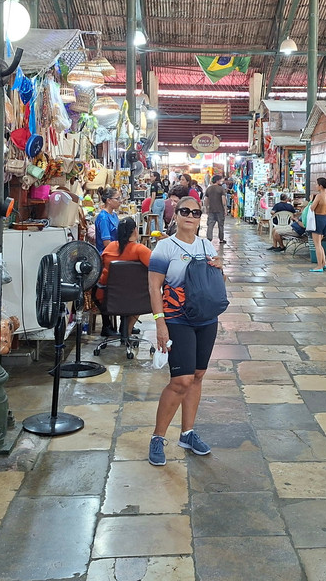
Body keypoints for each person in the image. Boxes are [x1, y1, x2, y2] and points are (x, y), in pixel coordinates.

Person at [147, 196, 223, 466]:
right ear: (175, 215)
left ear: (200, 217)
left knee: (198, 375)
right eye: (184, 211)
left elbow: (214, 281)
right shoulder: (164, 247)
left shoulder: (206, 245)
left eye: (195, 212)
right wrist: (160, 322)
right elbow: (154, 287)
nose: (190, 215)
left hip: (206, 319)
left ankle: (187, 433)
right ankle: (158, 437)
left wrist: (218, 267)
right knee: (181, 380)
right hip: (177, 318)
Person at [96, 217, 153, 339]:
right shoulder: (140, 250)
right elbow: (156, 266)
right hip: (135, 299)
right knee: (144, 291)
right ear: (135, 231)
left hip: (107, 298)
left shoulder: (110, 247)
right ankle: (127, 330)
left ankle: (118, 328)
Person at [94, 188, 122, 336]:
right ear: (109, 200)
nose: (120, 201)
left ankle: (125, 322)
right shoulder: (103, 217)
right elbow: (106, 242)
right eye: (117, 198)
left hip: (116, 253)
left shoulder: (114, 215)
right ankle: (107, 325)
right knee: (107, 291)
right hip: (106, 256)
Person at [308, 177, 326, 272]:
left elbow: (312, 208)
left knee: (317, 244)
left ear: (320, 186)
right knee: (320, 243)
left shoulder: (319, 196)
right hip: (325, 218)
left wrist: (311, 200)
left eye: (316, 184)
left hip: (318, 219)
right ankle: (324, 263)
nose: (315, 185)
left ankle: (319, 266)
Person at [203, 174, 228, 246]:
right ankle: (221, 239)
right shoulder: (221, 189)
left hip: (211, 210)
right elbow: (223, 199)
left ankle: (209, 238)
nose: (221, 181)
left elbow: (206, 200)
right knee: (221, 225)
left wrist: (206, 208)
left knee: (210, 225)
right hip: (220, 210)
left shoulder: (209, 189)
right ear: (217, 180)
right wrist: (225, 208)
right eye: (220, 180)